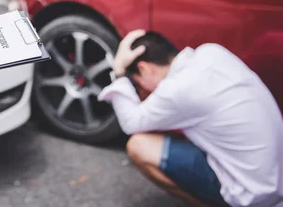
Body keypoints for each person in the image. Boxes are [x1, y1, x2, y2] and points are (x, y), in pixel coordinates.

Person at [99, 30, 283, 207]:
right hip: (275, 180)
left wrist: (119, 73)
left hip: (252, 194)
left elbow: (131, 123)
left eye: (138, 83)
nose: (143, 90)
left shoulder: (177, 90)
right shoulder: (212, 52)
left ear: (144, 68)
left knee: (139, 146)